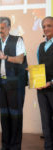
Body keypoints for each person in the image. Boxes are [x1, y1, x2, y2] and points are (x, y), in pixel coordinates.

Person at [0, 17, 28, 150]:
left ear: (8, 28)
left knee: (16, 116)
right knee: (4, 115)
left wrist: (6, 57)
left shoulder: (18, 40)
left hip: (15, 83)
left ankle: (15, 147)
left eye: (2, 28)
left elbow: (20, 59)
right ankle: (5, 145)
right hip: (1, 83)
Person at [36, 16, 53, 150]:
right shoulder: (40, 46)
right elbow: (39, 67)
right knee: (45, 121)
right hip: (42, 89)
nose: (46, 28)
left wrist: (50, 82)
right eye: (44, 26)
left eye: (49, 25)